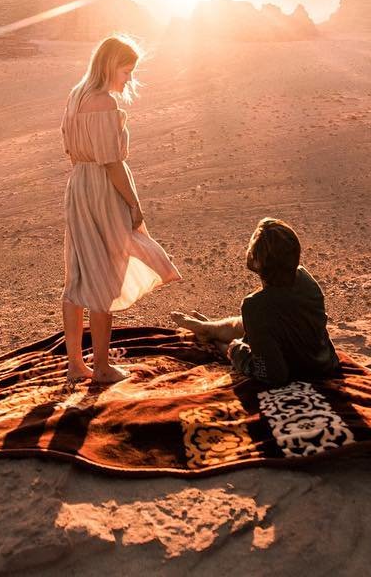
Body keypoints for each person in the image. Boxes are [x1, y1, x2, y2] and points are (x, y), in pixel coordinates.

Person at [60, 34, 181, 384]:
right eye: (127, 71)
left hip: (79, 186)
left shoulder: (76, 96)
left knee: (78, 276)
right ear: (111, 65)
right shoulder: (104, 102)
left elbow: (71, 150)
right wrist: (133, 203)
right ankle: (101, 366)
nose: (129, 79)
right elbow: (112, 163)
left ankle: (75, 365)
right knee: (106, 275)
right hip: (103, 191)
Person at [171, 217, 339, 387]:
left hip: (302, 371)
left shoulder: (255, 305)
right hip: (325, 361)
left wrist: (236, 350)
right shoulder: (305, 279)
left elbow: (272, 374)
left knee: (240, 343)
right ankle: (208, 328)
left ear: (257, 261)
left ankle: (212, 338)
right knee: (252, 322)